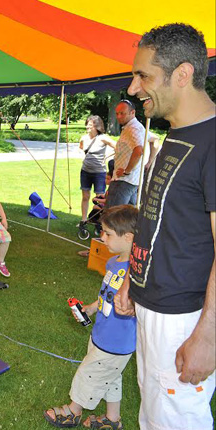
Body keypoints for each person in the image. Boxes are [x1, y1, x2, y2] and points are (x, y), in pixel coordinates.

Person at [114, 24, 215, 430]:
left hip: (184, 318)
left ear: (183, 74)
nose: (134, 88)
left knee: (175, 419)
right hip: (153, 303)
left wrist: (207, 336)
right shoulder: (175, 135)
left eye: (144, 76)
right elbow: (157, 220)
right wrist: (131, 281)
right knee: (154, 413)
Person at [44, 205, 138, 430]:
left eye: (107, 234)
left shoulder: (135, 273)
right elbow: (105, 293)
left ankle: (72, 412)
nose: (102, 238)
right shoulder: (113, 263)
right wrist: (91, 308)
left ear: (128, 237)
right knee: (110, 378)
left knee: (88, 373)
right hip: (102, 334)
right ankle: (112, 419)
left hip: (116, 342)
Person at [106, 100, 157, 208]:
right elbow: (155, 140)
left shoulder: (132, 129)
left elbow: (139, 150)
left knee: (112, 217)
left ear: (132, 112)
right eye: (117, 113)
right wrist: (149, 162)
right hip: (132, 181)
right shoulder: (138, 127)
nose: (119, 116)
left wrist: (126, 171)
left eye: (122, 113)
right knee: (127, 217)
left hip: (123, 181)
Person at [78, 116, 116, 225]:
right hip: (85, 171)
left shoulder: (103, 138)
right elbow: (80, 148)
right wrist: (82, 157)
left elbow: (117, 147)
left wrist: (108, 156)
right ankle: (84, 220)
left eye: (91, 125)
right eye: (87, 124)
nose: (88, 127)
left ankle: (100, 222)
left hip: (99, 172)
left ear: (97, 126)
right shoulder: (84, 138)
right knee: (85, 196)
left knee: (99, 199)